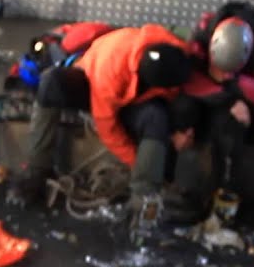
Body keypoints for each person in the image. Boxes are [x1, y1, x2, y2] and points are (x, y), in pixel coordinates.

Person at [12, 24, 194, 210]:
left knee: (156, 117)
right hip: (96, 87)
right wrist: (137, 162)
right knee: (51, 82)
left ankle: (146, 196)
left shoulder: (177, 50)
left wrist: (182, 130)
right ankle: (37, 170)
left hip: (140, 97)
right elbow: (109, 130)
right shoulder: (110, 73)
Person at [164, 2, 254, 222]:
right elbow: (188, 78)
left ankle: (223, 197)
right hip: (207, 97)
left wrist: (237, 83)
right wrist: (225, 98)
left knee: (229, 129)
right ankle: (176, 188)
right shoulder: (201, 36)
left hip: (238, 106)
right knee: (181, 108)